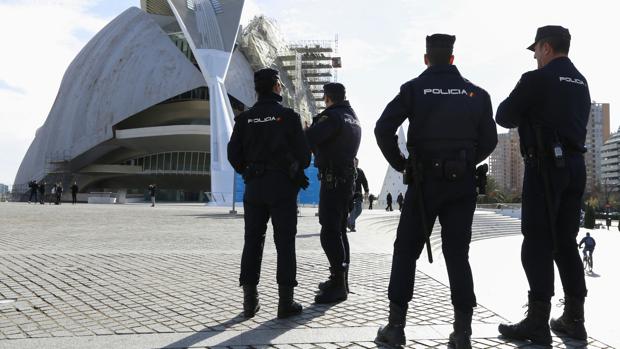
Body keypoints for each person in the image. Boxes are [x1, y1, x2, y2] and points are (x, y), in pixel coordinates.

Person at [374, 33, 497, 349]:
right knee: (458, 255)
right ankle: (462, 334)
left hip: (424, 185)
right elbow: (491, 140)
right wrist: (466, 162)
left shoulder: (414, 89)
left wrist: (402, 164)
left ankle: (396, 327)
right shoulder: (476, 93)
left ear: (426, 58)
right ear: (452, 59)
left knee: (405, 252)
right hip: (462, 186)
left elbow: (382, 128)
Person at [496, 26, 591, 344]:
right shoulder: (581, 82)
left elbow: (504, 115)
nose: (535, 56)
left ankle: (537, 321)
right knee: (565, 243)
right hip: (576, 167)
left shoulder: (535, 79)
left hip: (546, 167)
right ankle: (574, 319)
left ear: (547, 47)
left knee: (535, 242)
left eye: (536, 49)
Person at [228, 68, 311, 319]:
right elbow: (305, 157)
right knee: (285, 243)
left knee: (252, 241)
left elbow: (233, 154)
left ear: (257, 89)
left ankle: (249, 303)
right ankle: (285, 302)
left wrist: (249, 170)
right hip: (282, 187)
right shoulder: (289, 116)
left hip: (254, 187)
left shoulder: (245, 119)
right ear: (276, 86)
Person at [306, 82, 361, 304]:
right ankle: (342, 280)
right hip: (347, 181)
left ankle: (338, 284)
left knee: (329, 232)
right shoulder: (352, 116)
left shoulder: (332, 117)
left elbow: (309, 138)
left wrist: (306, 129)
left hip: (333, 181)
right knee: (340, 231)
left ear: (327, 98)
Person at [347, 158, 369, 232]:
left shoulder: (360, 171)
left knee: (359, 210)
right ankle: (352, 226)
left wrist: (366, 190)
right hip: (350, 194)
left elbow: (364, 181)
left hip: (358, 194)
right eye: (354, 163)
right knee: (353, 210)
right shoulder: (348, 170)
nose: (356, 164)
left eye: (357, 163)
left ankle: (348, 221)